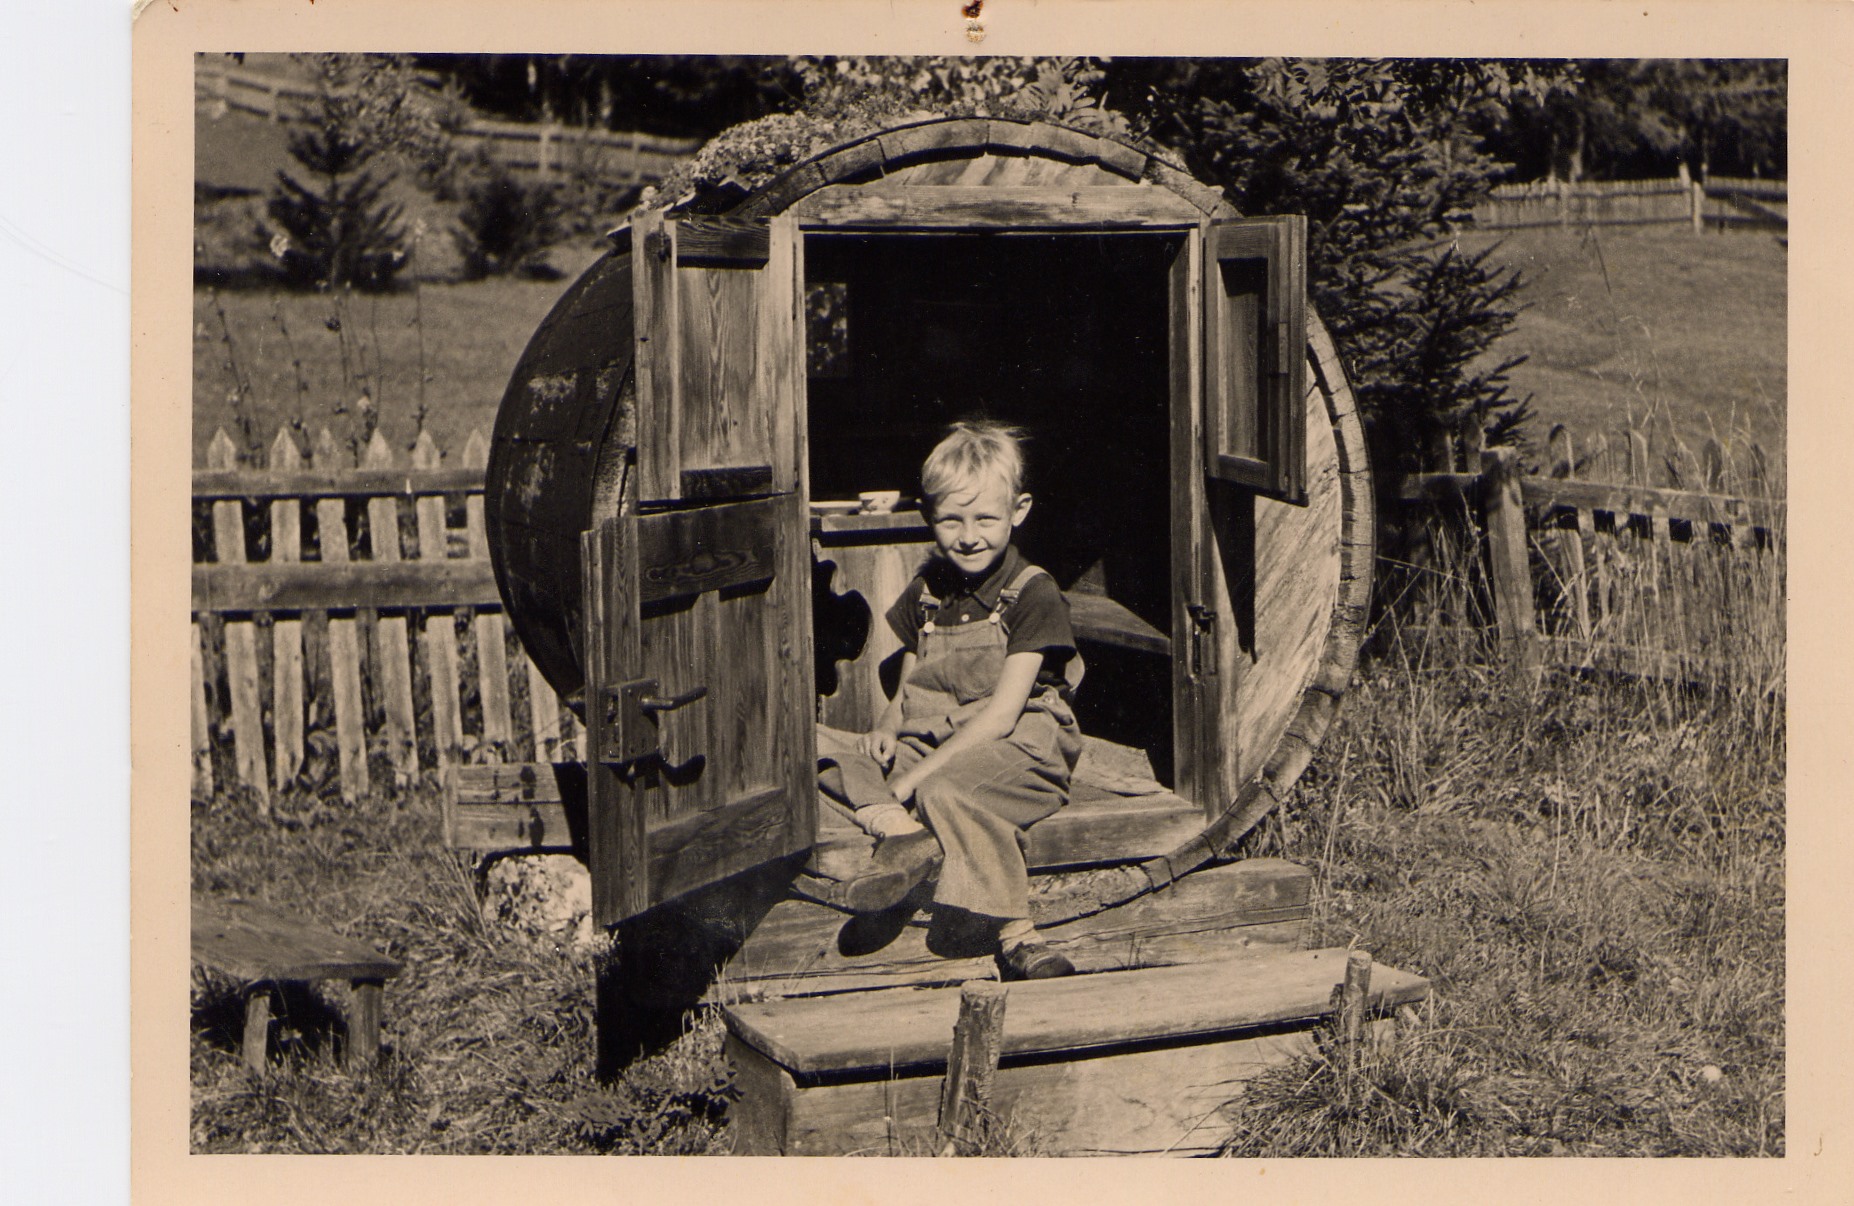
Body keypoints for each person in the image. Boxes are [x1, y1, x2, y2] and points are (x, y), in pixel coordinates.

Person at [820, 420, 1084, 981]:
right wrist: (889, 727)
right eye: (951, 519)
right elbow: (911, 685)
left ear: (1019, 510)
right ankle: (900, 832)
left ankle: (1018, 936)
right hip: (935, 734)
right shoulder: (928, 591)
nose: (968, 536)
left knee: (945, 789)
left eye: (986, 518)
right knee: (808, 745)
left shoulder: (1033, 593)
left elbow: (1002, 714)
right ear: (928, 516)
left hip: (1017, 743)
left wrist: (913, 778)